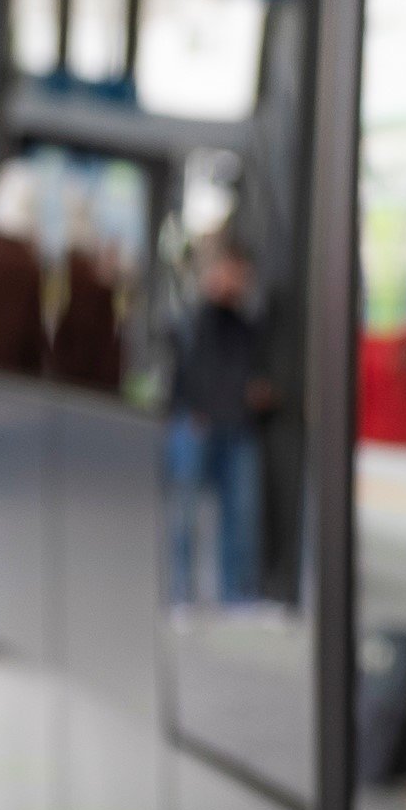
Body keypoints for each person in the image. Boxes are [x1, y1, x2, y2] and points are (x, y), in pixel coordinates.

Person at [167, 230, 275, 606]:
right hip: (197, 425)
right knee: (184, 516)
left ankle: (235, 594)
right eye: (229, 271)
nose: (235, 280)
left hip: (236, 426)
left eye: (240, 273)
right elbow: (188, 373)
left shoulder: (245, 326)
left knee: (239, 518)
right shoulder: (194, 319)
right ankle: (179, 591)